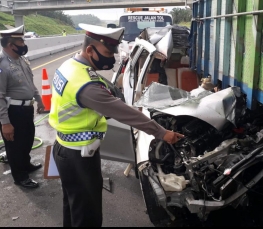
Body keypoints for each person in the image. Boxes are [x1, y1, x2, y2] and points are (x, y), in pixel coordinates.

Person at [48, 23, 185, 227]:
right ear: (89, 50)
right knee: (88, 216)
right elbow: (124, 113)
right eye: (106, 52)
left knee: (73, 205)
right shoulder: (87, 85)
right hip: (79, 156)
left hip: (64, 149)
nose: (111, 57)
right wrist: (162, 133)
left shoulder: (70, 66)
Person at [0, 25, 45, 189]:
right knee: (15, 146)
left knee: (27, 140)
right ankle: (20, 176)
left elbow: (30, 83)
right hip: (12, 112)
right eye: (20, 40)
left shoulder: (21, 60)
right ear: (11, 45)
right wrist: (5, 123)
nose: (23, 43)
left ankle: (26, 165)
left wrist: (39, 100)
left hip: (26, 109)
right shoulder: (2, 64)